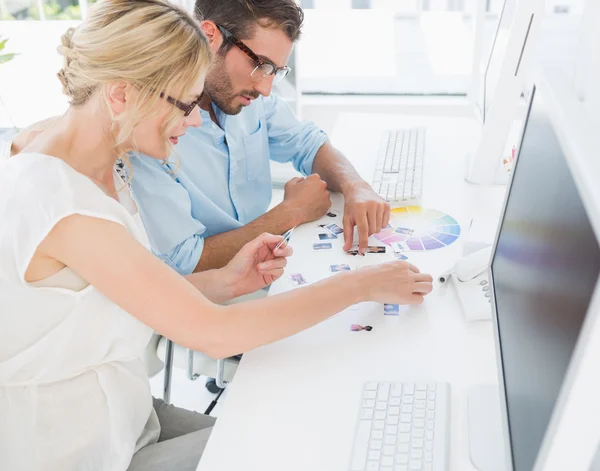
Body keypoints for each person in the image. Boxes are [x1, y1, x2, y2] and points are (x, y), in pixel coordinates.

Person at [0, 1, 433, 470]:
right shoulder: (64, 204)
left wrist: (228, 280)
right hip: (82, 451)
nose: (193, 120)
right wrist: (362, 285)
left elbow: (128, 295)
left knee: (294, 427)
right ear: (121, 95)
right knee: (306, 449)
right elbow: (216, 334)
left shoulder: (96, 156)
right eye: (185, 105)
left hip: (126, 413)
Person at [128, 0, 392, 276]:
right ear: (209, 36)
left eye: (275, 72)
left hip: (271, 263)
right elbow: (183, 261)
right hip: (215, 290)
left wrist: (356, 187)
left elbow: (308, 144)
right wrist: (290, 213)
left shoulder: (245, 99)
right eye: (260, 65)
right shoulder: (151, 133)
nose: (265, 88)